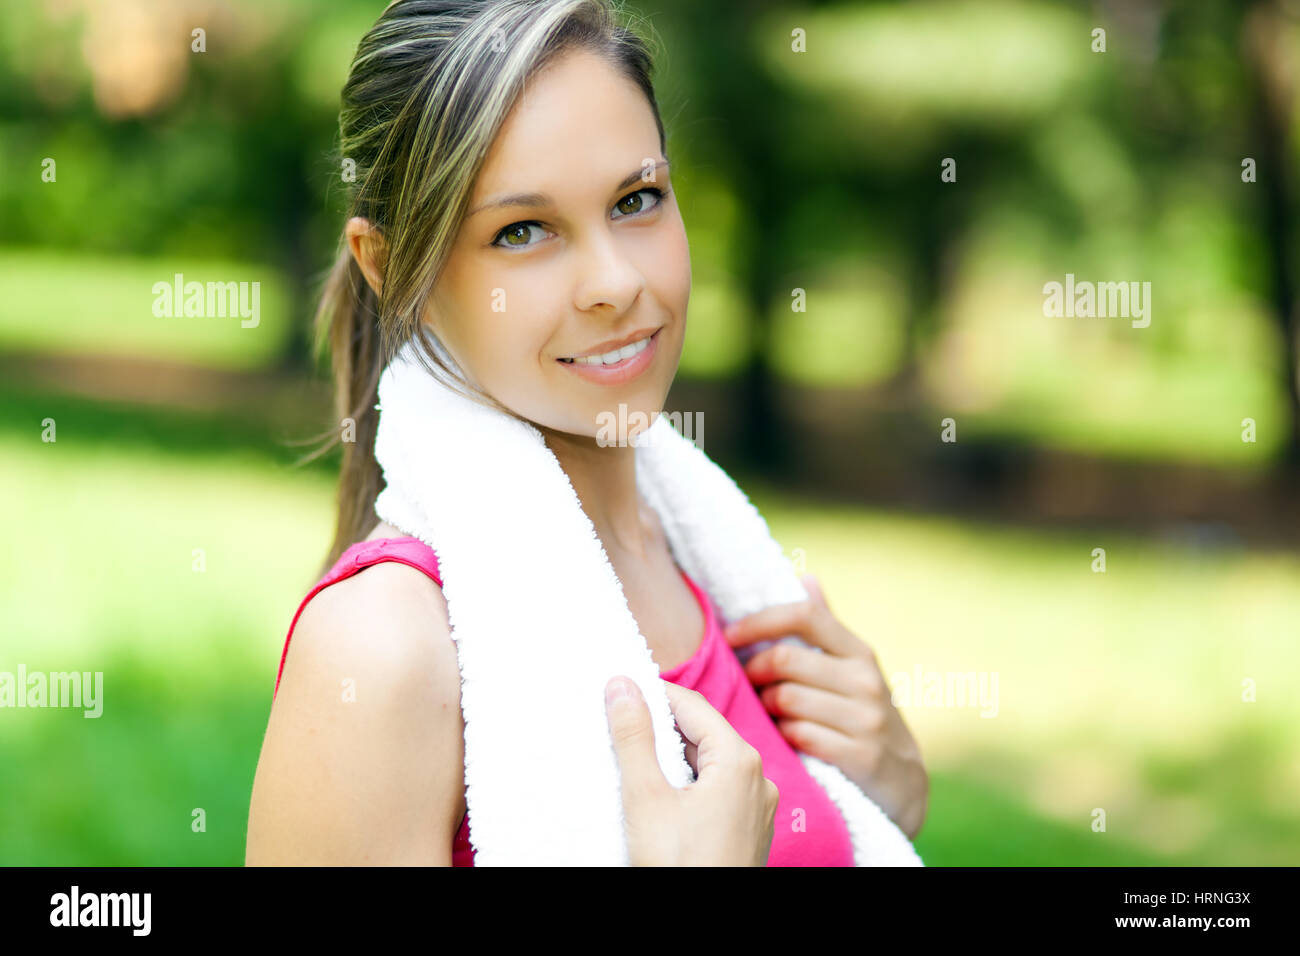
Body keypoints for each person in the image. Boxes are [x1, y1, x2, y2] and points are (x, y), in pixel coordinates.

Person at [246, 0, 926, 866]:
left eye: (637, 199)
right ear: (391, 268)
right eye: (522, 231)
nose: (614, 282)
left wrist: (888, 795)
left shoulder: (709, 571)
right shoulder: (384, 651)